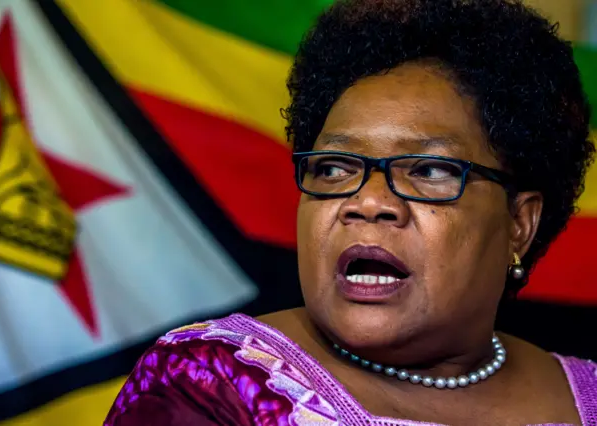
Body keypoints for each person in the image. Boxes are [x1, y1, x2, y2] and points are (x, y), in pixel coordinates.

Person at [103, 0, 597, 424]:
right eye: (335, 168)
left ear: (519, 223)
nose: (368, 202)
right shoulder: (209, 383)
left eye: (426, 171)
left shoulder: (589, 394)